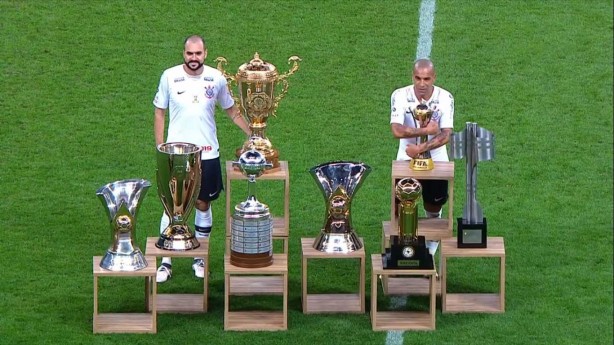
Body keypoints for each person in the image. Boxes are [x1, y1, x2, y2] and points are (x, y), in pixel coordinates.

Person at [153, 35, 250, 283]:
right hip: (176, 154)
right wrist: (160, 147)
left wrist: (254, 133)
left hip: (207, 153)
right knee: (172, 206)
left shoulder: (216, 79)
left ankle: (200, 258)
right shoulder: (169, 76)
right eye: (189, 54)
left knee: (203, 204)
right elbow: (159, 112)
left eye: (198, 54)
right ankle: (166, 261)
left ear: (205, 53)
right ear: (183, 53)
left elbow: (231, 109)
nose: (193, 58)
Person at [389, 58, 454, 261]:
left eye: (427, 78)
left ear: (434, 77)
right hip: (405, 159)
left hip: (437, 160)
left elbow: (445, 135)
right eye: (418, 78)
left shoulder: (445, 98)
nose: (422, 83)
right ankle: (402, 249)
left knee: (434, 205)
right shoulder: (400, 95)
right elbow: (396, 130)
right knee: (400, 206)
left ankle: (431, 252)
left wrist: (420, 147)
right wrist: (425, 131)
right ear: (412, 77)